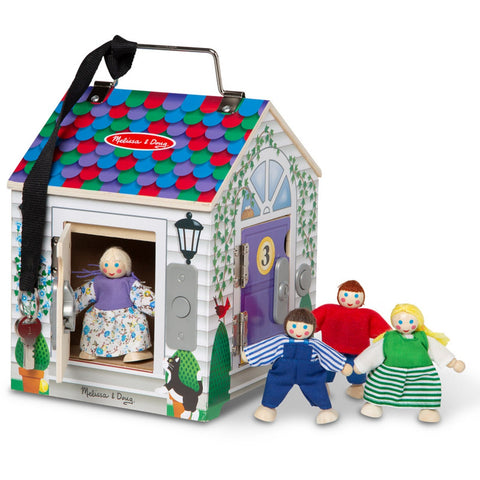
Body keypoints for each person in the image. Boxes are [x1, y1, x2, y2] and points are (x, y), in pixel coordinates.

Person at [354, 303, 465, 422]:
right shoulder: (389, 338)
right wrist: (362, 364)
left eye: (411, 321)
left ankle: (428, 409)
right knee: (380, 385)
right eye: (400, 322)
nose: (405, 326)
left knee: (425, 389)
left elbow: (438, 350)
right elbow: (374, 353)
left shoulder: (423, 338)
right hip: (389, 374)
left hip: (420, 374)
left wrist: (453, 362)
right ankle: (374, 404)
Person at [241, 308, 352, 424]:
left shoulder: (314, 344)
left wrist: (342, 365)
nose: (299, 331)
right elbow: (266, 348)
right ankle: (267, 407)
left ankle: (326, 410)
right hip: (282, 374)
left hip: (310, 375)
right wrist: (250, 355)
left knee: (318, 389)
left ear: (312, 328)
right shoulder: (280, 340)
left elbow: (328, 354)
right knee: (273, 387)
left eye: (304, 327)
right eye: (294, 326)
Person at [312, 280, 390, 399]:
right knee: (325, 366)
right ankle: (322, 385)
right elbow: (310, 321)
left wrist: (391, 338)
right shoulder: (328, 309)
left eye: (356, 297)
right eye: (346, 295)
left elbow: (383, 331)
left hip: (356, 352)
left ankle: (356, 387)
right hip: (330, 350)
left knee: (357, 368)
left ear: (362, 299)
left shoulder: (368, 314)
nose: (350, 300)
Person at [75, 247, 155, 362]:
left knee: (135, 324)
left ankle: (136, 350)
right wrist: (68, 306)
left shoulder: (129, 283)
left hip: (125, 316)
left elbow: (143, 297)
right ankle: (91, 349)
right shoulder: (97, 282)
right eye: (106, 265)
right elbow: (83, 295)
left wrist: (157, 308)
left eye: (116, 265)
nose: (111, 269)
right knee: (92, 324)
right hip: (101, 317)